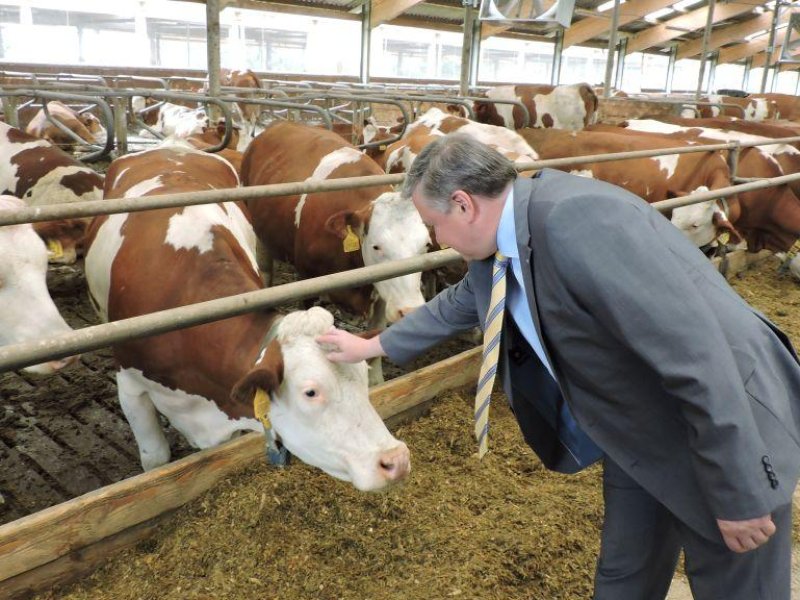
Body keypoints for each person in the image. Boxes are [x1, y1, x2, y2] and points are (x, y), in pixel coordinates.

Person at [316, 133, 800, 600]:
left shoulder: (579, 224)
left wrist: (740, 489)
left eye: (434, 226)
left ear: (464, 204)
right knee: (625, 569)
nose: (439, 241)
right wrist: (370, 346)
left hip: (721, 427)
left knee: (736, 581)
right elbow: (463, 301)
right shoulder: (506, 236)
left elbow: (696, 359)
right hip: (637, 427)